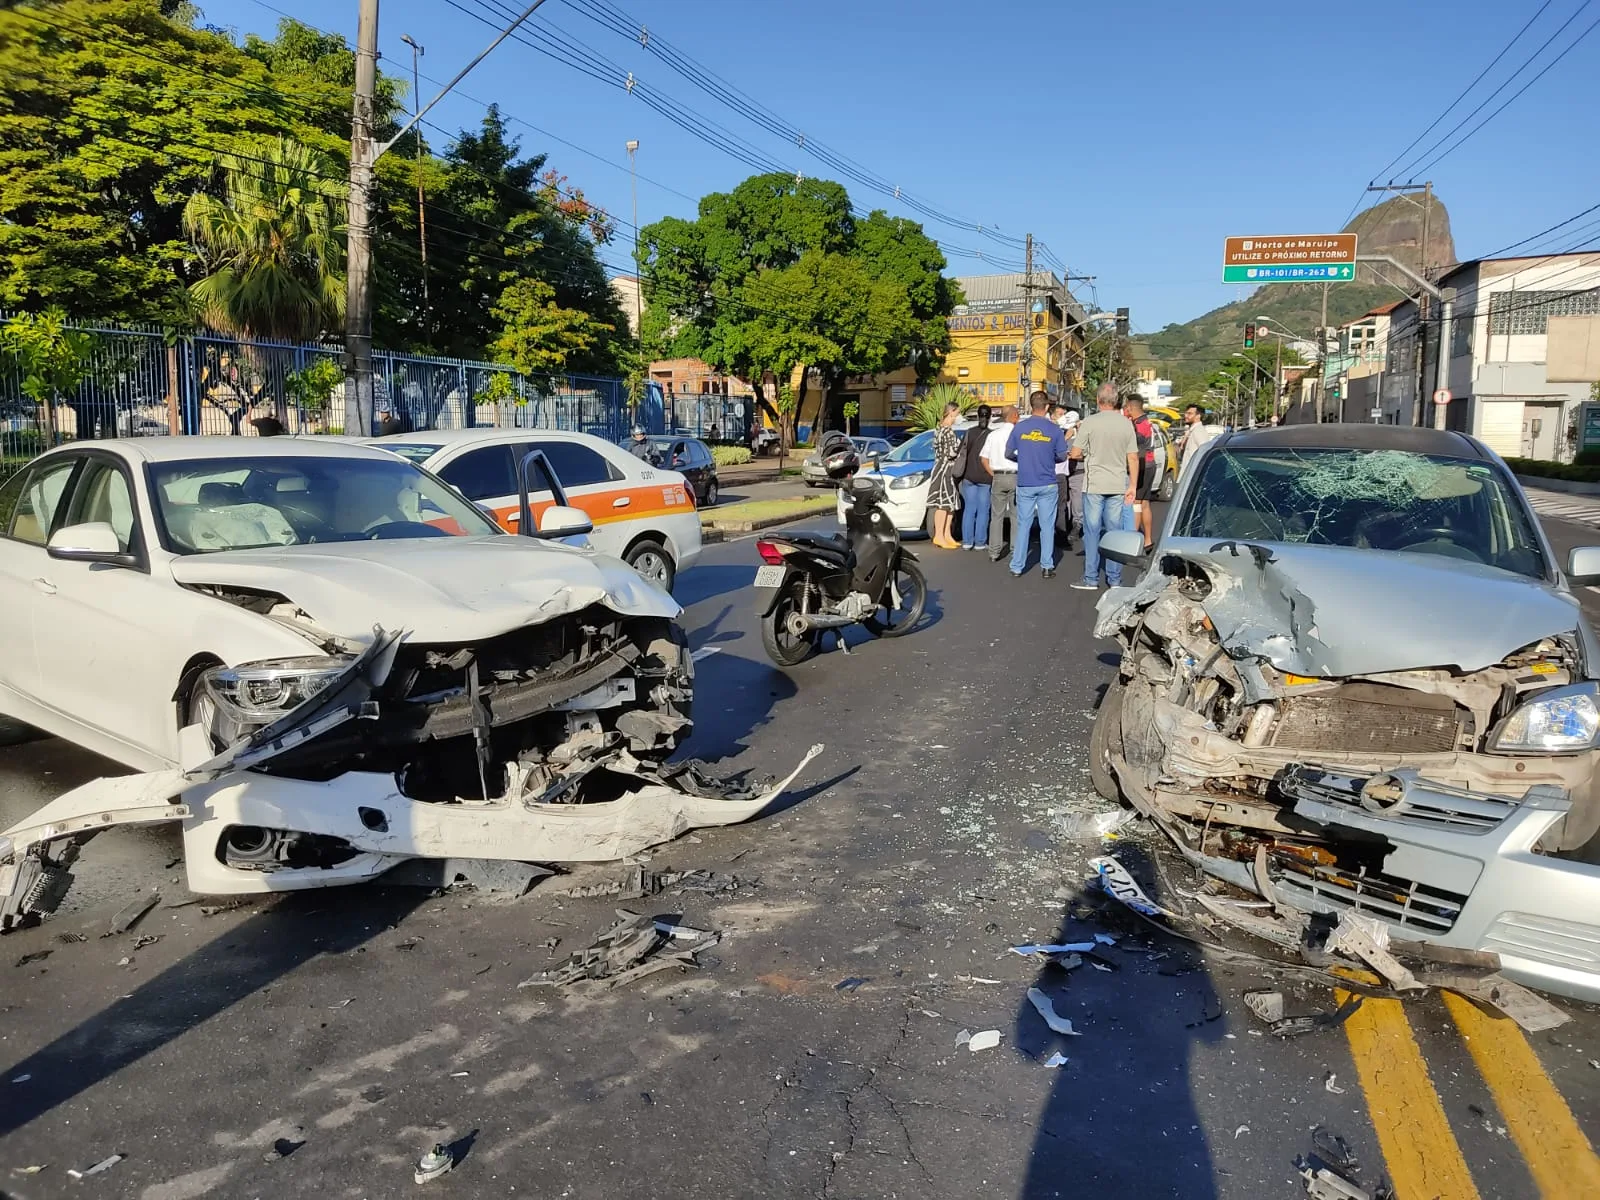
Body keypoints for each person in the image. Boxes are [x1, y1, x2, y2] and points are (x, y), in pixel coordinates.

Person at [1069, 383, 1138, 590]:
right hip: (1118, 484)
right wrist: (1132, 485)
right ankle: (1114, 579)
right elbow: (1133, 458)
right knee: (1114, 531)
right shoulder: (1126, 424)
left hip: (1094, 485)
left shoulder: (1089, 422)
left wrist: (1087, 453)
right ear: (1116, 401)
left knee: (1092, 531)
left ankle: (1091, 578)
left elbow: (1074, 453)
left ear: (1098, 400)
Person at [1005, 391, 1069, 578]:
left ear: (1031, 406)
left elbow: (1008, 453)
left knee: (1023, 524)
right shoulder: (1055, 430)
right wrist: (1049, 458)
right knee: (1047, 525)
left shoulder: (1019, 428)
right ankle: (1047, 566)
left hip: (1025, 482)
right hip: (1047, 482)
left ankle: (1017, 566)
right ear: (1047, 407)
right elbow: (1062, 456)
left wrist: (1022, 460)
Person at [980, 404, 1019, 561]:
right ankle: (1016, 550)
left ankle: (994, 552)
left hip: (998, 476)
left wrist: (993, 474)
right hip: (1016, 476)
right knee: (1017, 516)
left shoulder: (993, 435)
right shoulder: (1018, 434)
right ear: (1014, 415)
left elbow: (984, 458)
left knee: (996, 516)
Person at [1122, 395, 1157, 551]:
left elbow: (1136, 450)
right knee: (1144, 503)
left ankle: (1133, 541)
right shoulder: (1146, 421)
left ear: (1130, 407)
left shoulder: (1138, 425)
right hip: (1150, 464)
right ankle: (1147, 540)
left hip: (1142, 466)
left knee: (1136, 503)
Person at [926, 402, 963, 549]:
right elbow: (950, 453)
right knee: (942, 504)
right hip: (944, 469)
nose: (958, 416)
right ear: (951, 412)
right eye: (957, 413)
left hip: (945, 468)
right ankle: (939, 535)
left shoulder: (939, 430)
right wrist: (960, 446)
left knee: (950, 505)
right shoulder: (946, 431)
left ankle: (947, 534)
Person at [957, 404, 993, 551]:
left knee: (969, 509)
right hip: (985, 477)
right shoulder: (992, 435)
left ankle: (967, 541)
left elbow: (961, 452)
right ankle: (980, 542)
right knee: (983, 510)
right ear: (990, 417)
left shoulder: (969, 432)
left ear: (978, 416)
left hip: (969, 476)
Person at [1177, 403, 1221, 476]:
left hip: (1192, 475)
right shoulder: (1192, 431)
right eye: (1186, 413)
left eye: (1189, 413)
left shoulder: (1199, 431)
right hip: (1186, 474)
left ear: (1198, 416)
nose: (1186, 416)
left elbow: (1205, 453)